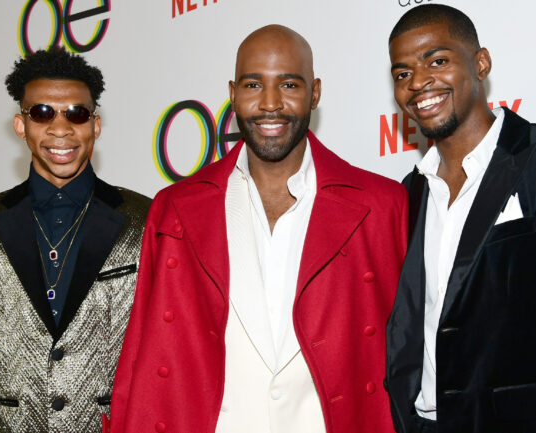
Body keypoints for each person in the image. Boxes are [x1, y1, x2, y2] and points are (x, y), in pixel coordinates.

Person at [108, 25, 407, 433]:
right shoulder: (175, 208)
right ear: (232, 93)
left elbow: (410, 356)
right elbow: (145, 350)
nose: (270, 104)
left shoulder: (381, 204)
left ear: (315, 92)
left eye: (288, 84)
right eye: (253, 84)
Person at [384, 5, 536, 433]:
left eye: (437, 60)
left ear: (481, 63)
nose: (419, 82)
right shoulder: (411, 192)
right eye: (402, 74)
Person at [0, 48, 151, 433]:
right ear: (21, 125)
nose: (60, 128)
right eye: (43, 113)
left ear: (95, 125)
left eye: (76, 114)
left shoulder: (146, 221)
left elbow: (167, 352)